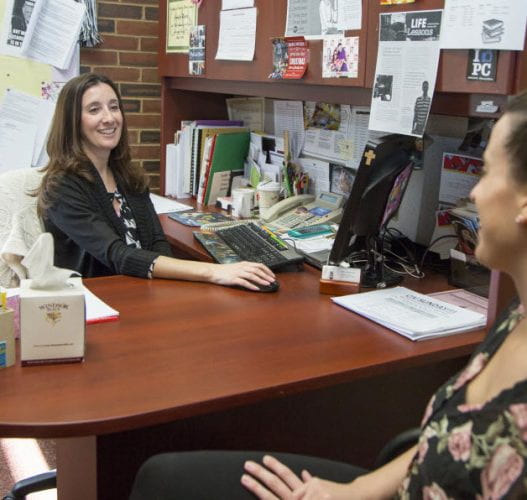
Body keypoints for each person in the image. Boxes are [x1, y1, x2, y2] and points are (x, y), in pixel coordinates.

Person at [129, 91, 527, 498]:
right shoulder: (515, 316)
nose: (472, 194)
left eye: (486, 172)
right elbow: (438, 442)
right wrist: (350, 491)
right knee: (163, 476)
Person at [37, 73, 276, 291]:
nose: (109, 118)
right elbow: (118, 255)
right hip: (96, 300)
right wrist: (214, 272)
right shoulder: (62, 186)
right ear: (72, 121)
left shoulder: (127, 176)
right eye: (94, 110)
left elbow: (156, 242)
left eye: (114, 107)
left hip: (140, 290)